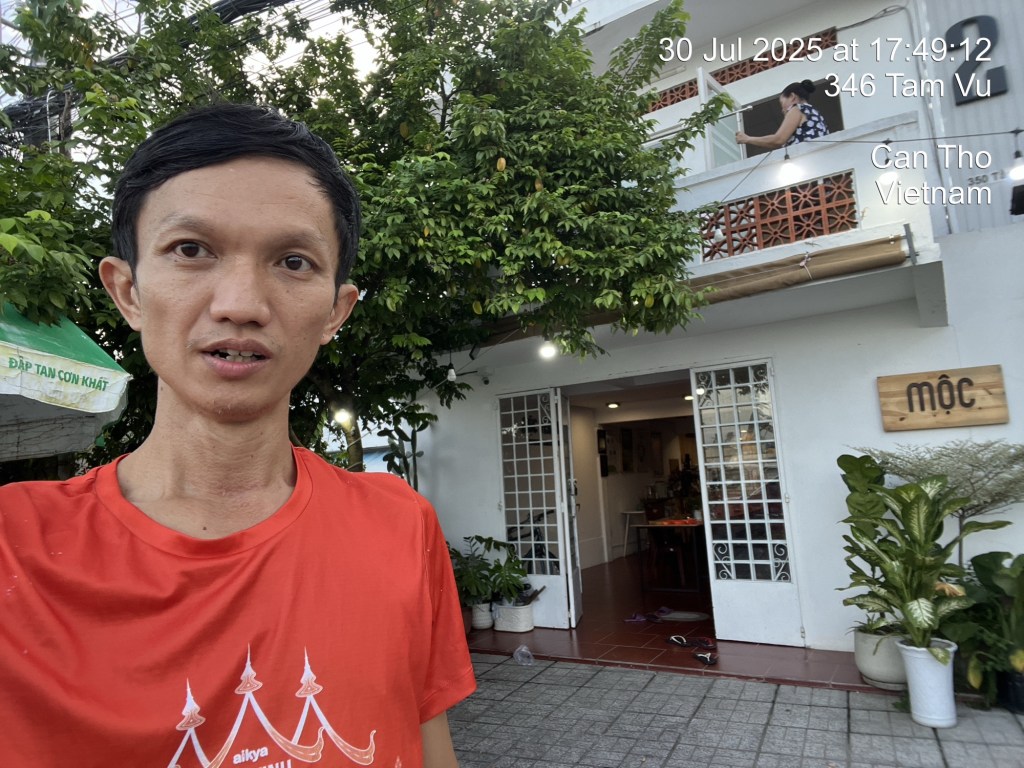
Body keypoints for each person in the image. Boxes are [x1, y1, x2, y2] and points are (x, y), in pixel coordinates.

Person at [0, 103, 476, 766]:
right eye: (191, 250)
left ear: (336, 311)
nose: (242, 305)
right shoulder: (15, 550)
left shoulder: (401, 525)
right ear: (128, 291)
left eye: (293, 261)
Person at [735, 79, 829, 149]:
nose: (782, 109)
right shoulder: (815, 114)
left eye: (782, 103)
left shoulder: (797, 109)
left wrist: (747, 139)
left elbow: (778, 140)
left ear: (792, 97)